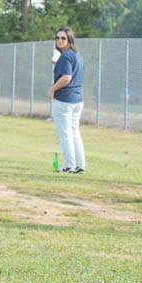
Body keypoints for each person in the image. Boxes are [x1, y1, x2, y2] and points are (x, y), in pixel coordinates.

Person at [49, 27, 85, 173]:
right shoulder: (76, 55)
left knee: (65, 134)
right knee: (74, 132)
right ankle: (80, 165)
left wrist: (52, 89)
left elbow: (66, 77)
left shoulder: (65, 56)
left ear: (70, 39)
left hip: (65, 99)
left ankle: (69, 165)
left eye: (63, 38)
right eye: (57, 38)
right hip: (77, 99)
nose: (59, 40)